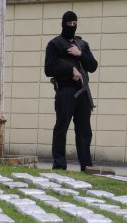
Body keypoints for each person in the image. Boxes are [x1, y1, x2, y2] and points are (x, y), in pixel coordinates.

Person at [44, 10, 98, 172]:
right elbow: (49, 69)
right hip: (66, 91)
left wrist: (80, 54)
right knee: (61, 128)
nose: (72, 26)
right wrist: (70, 70)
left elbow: (93, 66)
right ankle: (59, 165)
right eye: (69, 24)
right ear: (63, 24)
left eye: (75, 24)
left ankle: (86, 166)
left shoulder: (82, 45)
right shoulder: (54, 44)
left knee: (84, 131)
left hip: (82, 92)